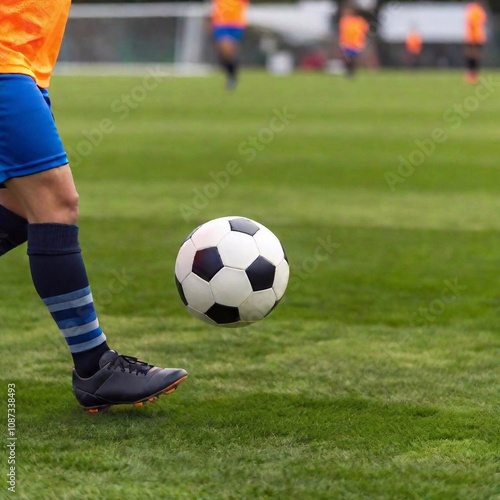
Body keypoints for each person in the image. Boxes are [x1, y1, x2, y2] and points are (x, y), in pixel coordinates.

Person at [0, 1, 187, 412]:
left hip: (27, 59)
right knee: (55, 202)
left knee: (15, 207)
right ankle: (94, 366)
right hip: (5, 56)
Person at [211, 0, 249, 89]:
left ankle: (232, 75)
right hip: (220, 23)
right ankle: (231, 74)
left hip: (236, 24)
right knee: (224, 52)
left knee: (229, 53)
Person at [338, 5, 370, 78]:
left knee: (353, 59)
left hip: (356, 44)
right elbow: (342, 32)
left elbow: (364, 31)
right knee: (348, 59)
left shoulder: (360, 21)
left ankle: (352, 72)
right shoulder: (345, 20)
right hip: (347, 43)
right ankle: (349, 73)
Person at [464, 0, 487, 84]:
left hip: (476, 37)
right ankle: (471, 74)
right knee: (472, 56)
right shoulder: (474, 9)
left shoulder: (477, 10)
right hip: (473, 36)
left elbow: (476, 23)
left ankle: (473, 75)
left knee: (474, 56)